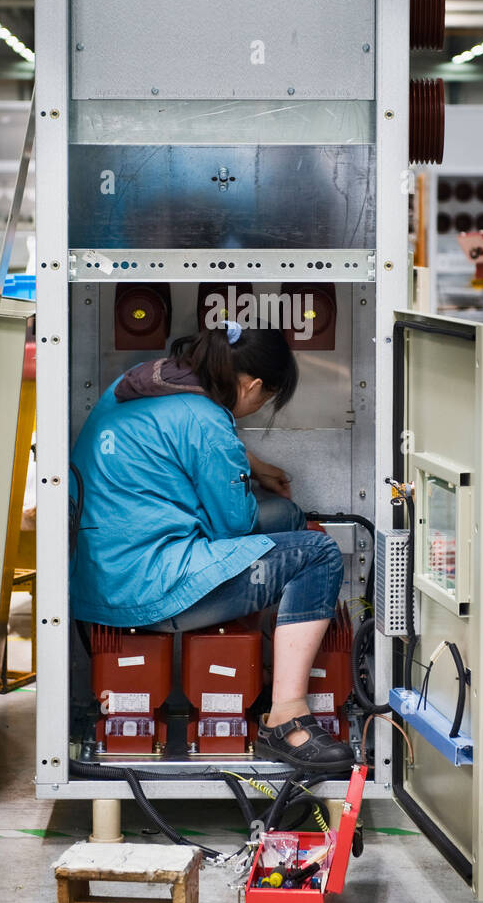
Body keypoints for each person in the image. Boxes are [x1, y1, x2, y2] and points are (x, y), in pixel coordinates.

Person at [70, 320, 355, 772]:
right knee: (315, 554)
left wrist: (251, 464)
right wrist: (238, 469)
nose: (256, 409)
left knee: (283, 518)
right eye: (263, 401)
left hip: (104, 572)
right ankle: (286, 717)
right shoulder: (207, 422)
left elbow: (179, 446)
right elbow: (233, 525)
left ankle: (272, 671)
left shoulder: (142, 381)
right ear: (254, 385)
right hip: (151, 588)